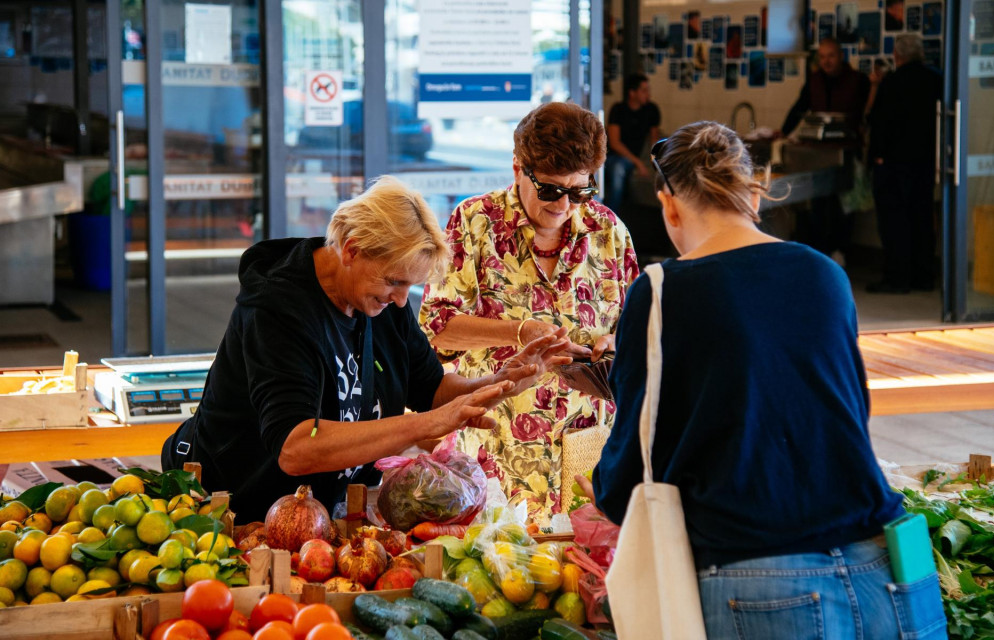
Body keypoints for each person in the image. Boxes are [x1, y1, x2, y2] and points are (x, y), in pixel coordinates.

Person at [583, 121, 953, 640]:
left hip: (761, 576)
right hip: (890, 563)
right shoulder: (824, 273)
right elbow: (837, 412)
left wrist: (602, 489)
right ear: (755, 193)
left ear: (669, 205)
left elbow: (642, 455)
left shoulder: (662, 291)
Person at [161, 176, 571, 523]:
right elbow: (296, 447)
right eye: (394, 282)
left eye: (408, 287)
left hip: (317, 512)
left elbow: (430, 390)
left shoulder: (381, 301)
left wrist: (499, 383)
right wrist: (425, 426)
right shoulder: (277, 309)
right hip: (228, 509)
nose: (398, 301)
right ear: (351, 248)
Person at [419, 102, 639, 524]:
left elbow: (632, 324)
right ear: (518, 168)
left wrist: (616, 341)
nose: (565, 206)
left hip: (586, 447)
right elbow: (436, 328)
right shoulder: (474, 223)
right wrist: (519, 331)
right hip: (494, 448)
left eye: (580, 191)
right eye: (552, 190)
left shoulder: (610, 231)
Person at [782, 38, 871, 264]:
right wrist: (783, 133)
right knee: (820, 204)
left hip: (847, 150)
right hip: (820, 153)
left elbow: (867, 112)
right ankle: (821, 252)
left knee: (845, 204)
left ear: (841, 56)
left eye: (830, 56)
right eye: (822, 57)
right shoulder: (814, 81)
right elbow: (799, 107)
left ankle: (841, 249)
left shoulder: (858, 80)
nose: (826, 61)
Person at [867, 34, 942, 294]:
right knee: (922, 219)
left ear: (897, 56)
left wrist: (877, 156)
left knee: (894, 222)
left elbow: (879, 122)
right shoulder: (937, 78)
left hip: (893, 164)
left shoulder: (892, 82)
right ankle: (924, 276)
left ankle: (897, 279)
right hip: (925, 162)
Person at [603, 73, 661, 214]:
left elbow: (655, 140)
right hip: (613, 156)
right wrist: (638, 163)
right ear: (632, 93)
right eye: (644, 90)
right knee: (618, 168)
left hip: (633, 158)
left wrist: (655, 162)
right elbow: (615, 143)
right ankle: (610, 217)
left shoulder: (651, 110)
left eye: (648, 90)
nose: (648, 94)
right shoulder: (618, 110)